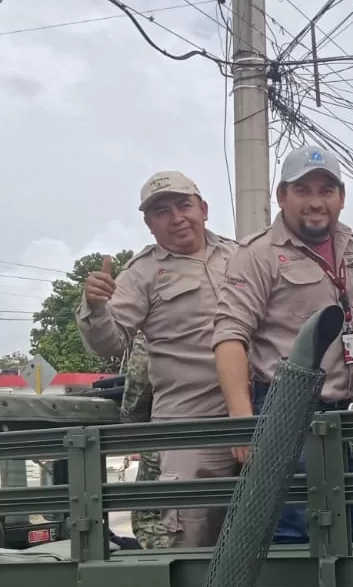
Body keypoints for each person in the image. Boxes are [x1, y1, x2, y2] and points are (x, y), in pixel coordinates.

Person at [213, 144, 353, 543]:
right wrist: (242, 424)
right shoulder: (259, 255)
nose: (316, 202)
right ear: (282, 196)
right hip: (286, 410)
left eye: (326, 190)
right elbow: (231, 337)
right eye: (303, 191)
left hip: (350, 413)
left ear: (341, 197)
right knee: (294, 529)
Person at [76, 171, 237, 546]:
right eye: (162, 211)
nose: (177, 217)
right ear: (149, 224)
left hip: (254, 412)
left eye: (184, 205)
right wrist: (95, 306)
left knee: (266, 526)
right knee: (194, 535)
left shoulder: (239, 256)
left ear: (204, 209)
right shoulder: (143, 272)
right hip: (189, 422)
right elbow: (109, 343)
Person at [117, 334, 171, 550]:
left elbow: (138, 387)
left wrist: (132, 427)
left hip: (168, 432)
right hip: (244, 431)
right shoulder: (240, 308)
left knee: (152, 521)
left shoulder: (157, 327)